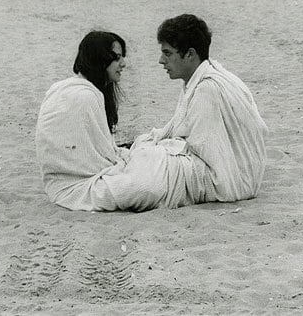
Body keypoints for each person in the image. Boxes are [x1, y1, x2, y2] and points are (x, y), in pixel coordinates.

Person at [103, 14, 268, 209]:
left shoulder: (207, 89)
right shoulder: (207, 74)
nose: (161, 61)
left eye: (168, 53)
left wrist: (161, 148)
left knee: (141, 171)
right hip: (241, 172)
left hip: (229, 179)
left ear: (190, 54)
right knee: (143, 151)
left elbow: (206, 152)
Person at [35, 31, 131, 211]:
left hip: (55, 183)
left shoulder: (61, 87)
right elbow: (102, 157)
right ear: (100, 59)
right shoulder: (86, 96)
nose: (123, 64)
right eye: (117, 58)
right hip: (77, 185)